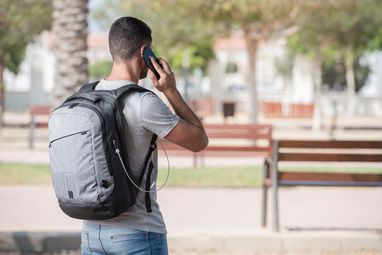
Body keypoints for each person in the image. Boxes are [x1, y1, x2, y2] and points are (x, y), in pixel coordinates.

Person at [81, 16, 209, 254]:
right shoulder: (143, 102)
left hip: (91, 233)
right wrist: (170, 90)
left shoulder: (87, 96)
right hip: (137, 235)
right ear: (145, 51)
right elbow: (199, 140)